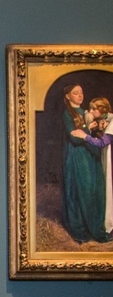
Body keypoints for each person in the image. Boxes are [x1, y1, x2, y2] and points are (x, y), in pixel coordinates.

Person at [61, 84, 107, 243]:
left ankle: (95, 226)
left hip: (91, 153)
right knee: (82, 189)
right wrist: (88, 127)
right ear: (68, 96)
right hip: (78, 155)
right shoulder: (68, 114)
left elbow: (89, 134)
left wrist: (97, 128)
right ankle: (80, 228)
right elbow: (74, 138)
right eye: (75, 93)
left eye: (81, 92)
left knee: (95, 189)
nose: (80, 95)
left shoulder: (87, 112)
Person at [71, 96, 113, 235]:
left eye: (94, 109)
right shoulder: (105, 120)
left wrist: (84, 136)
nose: (91, 111)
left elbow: (102, 143)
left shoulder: (111, 121)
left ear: (102, 110)